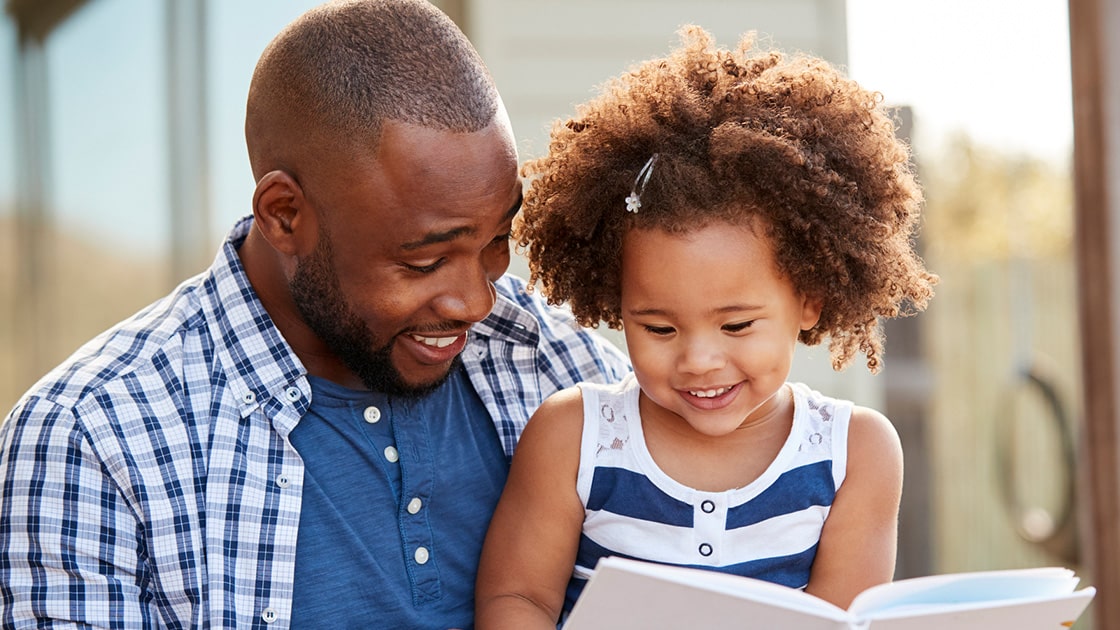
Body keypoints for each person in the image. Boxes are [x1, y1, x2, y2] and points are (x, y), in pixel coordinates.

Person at [0, 1, 629, 627]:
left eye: (496, 240)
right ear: (284, 215)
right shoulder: (91, 440)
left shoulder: (558, 364)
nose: (477, 301)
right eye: (425, 261)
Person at [474, 26, 938, 628]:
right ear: (618, 304)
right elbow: (519, 600)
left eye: (737, 325)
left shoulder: (855, 454)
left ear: (810, 299)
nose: (698, 360)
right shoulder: (573, 438)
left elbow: (839, 619)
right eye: (660, 329)